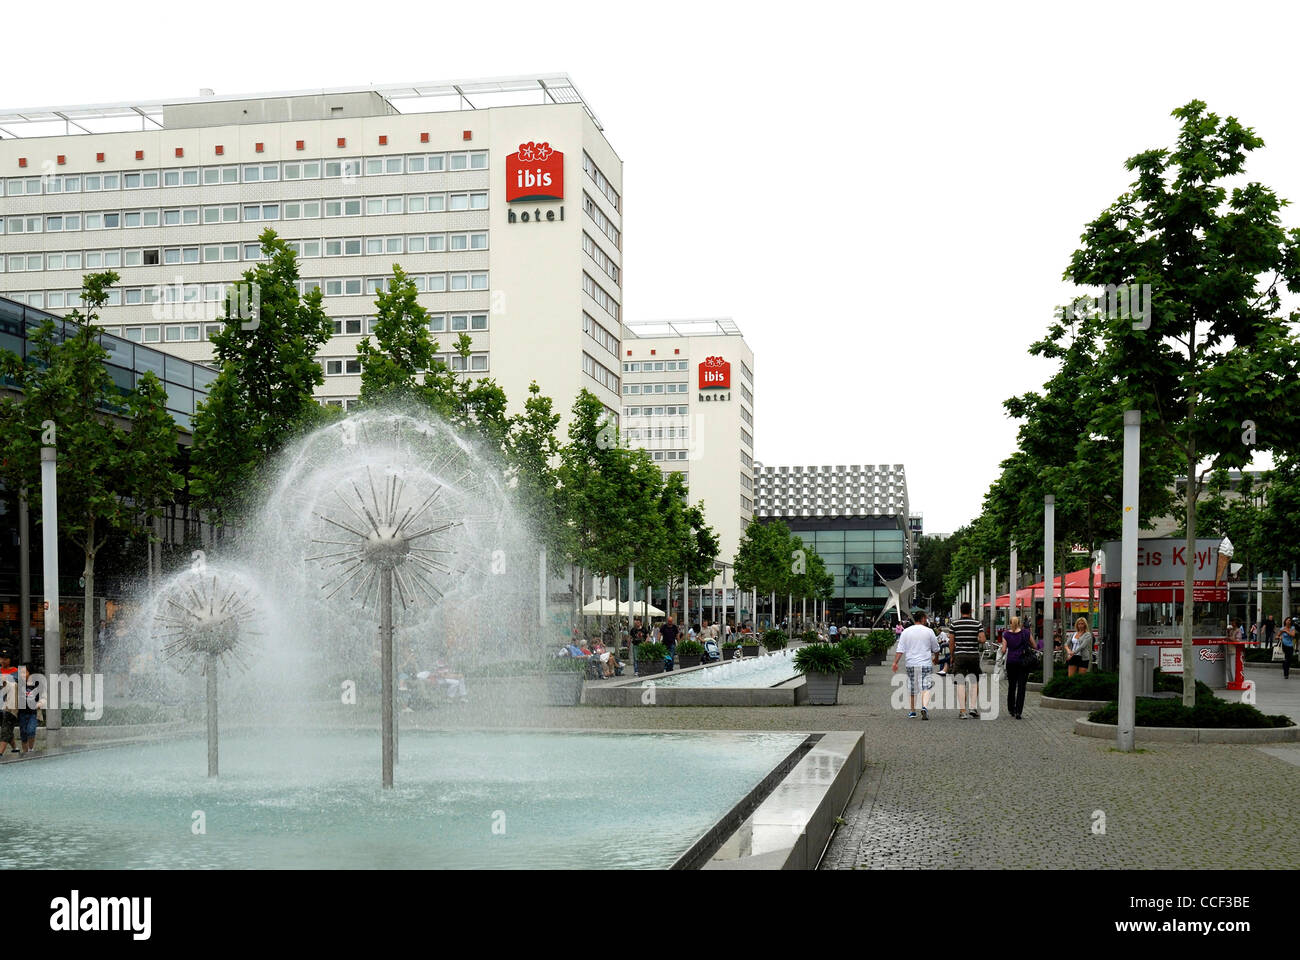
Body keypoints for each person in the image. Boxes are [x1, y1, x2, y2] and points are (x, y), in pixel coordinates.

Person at [892, 611, 939, 719]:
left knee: (912, 687)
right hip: (925, 663)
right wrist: (936, 658)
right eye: (926, 618)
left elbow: (900, 649)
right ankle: (924, 707)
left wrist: (895, 662)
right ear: (922, 618)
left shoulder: (906, 631)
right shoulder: (929, 631)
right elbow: (936, 648)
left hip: (911, 663)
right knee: (926, 686)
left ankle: (913, 711)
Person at [949, 602, 986, 719]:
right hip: (973, 656)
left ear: (960, 611)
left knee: (960, 683)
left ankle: (963, 711)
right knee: (974, 682)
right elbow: (983, 639)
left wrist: (951, 656)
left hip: (960, 656)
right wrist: (975, 638)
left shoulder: (954, 624)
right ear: (971, 611)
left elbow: (951, 642)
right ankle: (973, 708)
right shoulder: (977, 623)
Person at [999, 616, 1037, 719]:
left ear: (1010, 623)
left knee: (1012, 686)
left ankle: (1011, 709)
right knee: (1021, 687)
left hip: (1011, 662)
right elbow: (1034, 645)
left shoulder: (1006, 634)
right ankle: (1018, 712)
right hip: (1023, 662)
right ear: (1020, 623)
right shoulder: (1026, 633)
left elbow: (1003, 650)